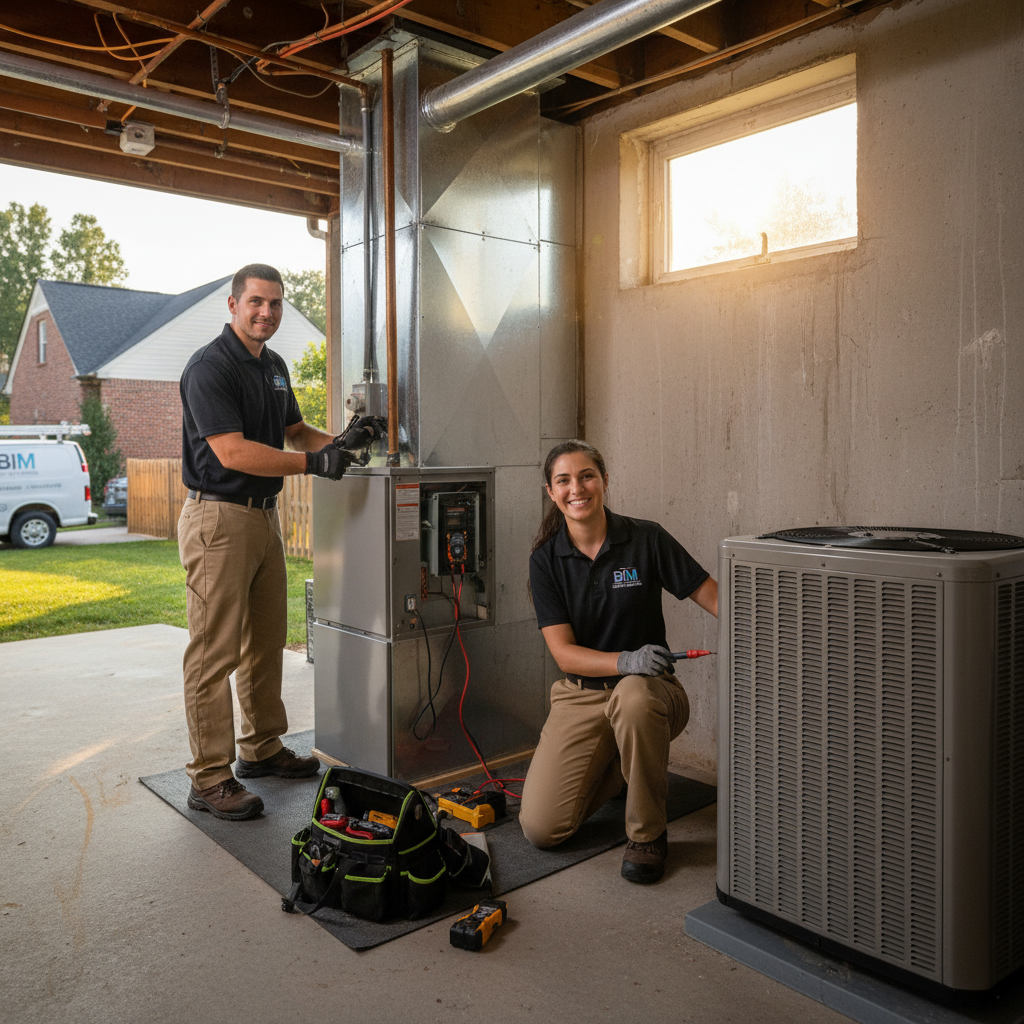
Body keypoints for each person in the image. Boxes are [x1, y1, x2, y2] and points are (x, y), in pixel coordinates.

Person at [178, 263, 382, 821]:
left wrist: (347, 442)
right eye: (256, 302)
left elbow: (296, 432)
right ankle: (209, 778)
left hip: (262, 519)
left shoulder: (273, 366)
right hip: (218, 518)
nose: (266, 312)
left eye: (276, 303)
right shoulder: (209, 368)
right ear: (234, 304)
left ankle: (261, 748)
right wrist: (315, 463)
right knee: (214, 651)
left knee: (265, 641)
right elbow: (233, 451)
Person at [521, 439, 718, 883]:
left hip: (650, 695)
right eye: (564, 480)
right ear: (551, 492)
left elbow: (716, 597)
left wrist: (774, 627)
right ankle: (625, 768)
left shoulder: (645, 538)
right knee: (542, 829)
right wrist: (626, 659)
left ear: (604, 481)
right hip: (581, 698)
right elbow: (564, 653)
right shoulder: (545, 561)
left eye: (587, 476)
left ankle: (647, 835)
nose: (578, 488)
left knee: (632, 698)